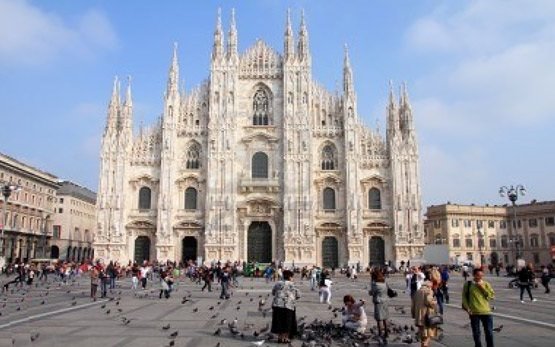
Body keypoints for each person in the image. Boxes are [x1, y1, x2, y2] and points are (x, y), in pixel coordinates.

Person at [462, 268, 495, 347]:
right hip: (474, 312)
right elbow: (464, 297)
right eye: (478, 275)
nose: (480, 277)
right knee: (476, 333)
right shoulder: (468, 284)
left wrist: (482, 288)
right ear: (474, 275)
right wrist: (467, 308)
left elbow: (491, 296)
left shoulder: (486, 284)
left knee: (489, 332)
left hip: (486, 312)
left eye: (481, 276)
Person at [271, 270, 300, 344]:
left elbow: (273, 292)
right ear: (290, 277)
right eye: (292, 277)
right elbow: (298, 295)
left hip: (277, 305)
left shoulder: (278, 283)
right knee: (287, 322)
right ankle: (285, 338)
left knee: (279, 321)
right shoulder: (292, 284)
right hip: (288, 306)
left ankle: (280, 338)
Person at [411, 271, 438, 347]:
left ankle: (423, 344)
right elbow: (429, 302)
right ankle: (425, 344)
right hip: (427, 316)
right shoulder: (428, 291)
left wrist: (413, 314)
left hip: (419, 316)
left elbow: (413, 304)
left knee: (423, 333)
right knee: (428, 333)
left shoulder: (418, 291)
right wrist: (435, 301)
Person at [369, 271, 389, 339]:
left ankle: (380, 333)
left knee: (379, 319)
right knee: (385, 318)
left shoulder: (375, 284)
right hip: (385, 301)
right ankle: (386, 332)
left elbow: (372, 293)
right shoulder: (384, 283)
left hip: (378, 302)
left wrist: (371, 289)